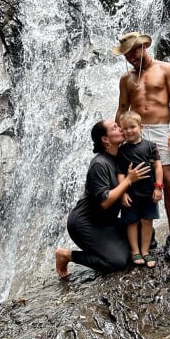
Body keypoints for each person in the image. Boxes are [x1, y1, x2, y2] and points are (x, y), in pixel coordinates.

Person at [113, 31, 170, 261]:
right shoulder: (126, 79)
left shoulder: (166, 69)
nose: (131, 57)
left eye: (134, 51)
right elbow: (123, 107)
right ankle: (147, 233)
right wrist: (116, 135)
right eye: (127, 54)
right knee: (138, 180)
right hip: (135, 131)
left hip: (161, 129)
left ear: (143, 47)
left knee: (168, 180)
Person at [55, 119, 150, 278]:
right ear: (105, 139)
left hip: (107, 222)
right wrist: (128, 180)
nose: (120, 129)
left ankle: (109, 248)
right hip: (85, 223)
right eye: (115, 128)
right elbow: (105, 202)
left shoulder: (121, 157)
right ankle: (66, 255)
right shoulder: (99, 164)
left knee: (147, 234)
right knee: (117, 262)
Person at [117, 110, 164, 268]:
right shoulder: (122, 150)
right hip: (131, 193)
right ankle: (134, 251)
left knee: (147, 221)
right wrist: (122, 192)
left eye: (132, 127)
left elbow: (158, 167)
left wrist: (158, 187)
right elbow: (121, 173)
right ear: (121, 130)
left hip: (149, 191)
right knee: (131, 222)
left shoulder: (150, 146)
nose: (129, 131)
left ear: (141, 127)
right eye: (125, 128)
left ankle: (145, 251)